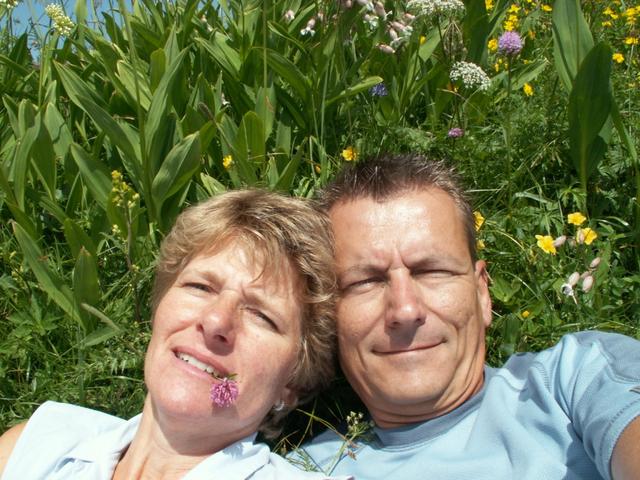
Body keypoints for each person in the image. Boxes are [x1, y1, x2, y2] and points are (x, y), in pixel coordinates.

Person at [293, 153, 640, 479]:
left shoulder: (577, 377)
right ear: (325, 316)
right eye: (364, 281)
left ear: (482, 293)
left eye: (432, 271)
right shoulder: (301, 472)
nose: (406, 310)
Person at [0, 190, 352, 480]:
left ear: (292, 384)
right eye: (200, 286)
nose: (216, 321)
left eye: (261, 315)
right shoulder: (38, 444)